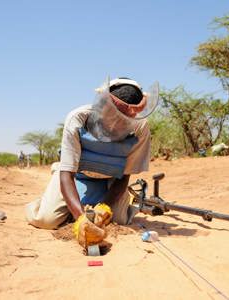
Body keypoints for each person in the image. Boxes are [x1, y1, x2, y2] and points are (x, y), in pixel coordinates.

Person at [25, 77, 158, 245]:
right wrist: (81, 219)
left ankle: (112, 205)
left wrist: (105, 208)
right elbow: (67, 175)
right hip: (76, 175)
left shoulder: (140, 128)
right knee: (46, 220)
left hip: (111, 180)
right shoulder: (78, 118)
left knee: (118, 220)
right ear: (103, 105)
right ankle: (45, 202)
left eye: (124, 120)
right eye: (113, 116)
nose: (117, 124)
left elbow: (124, 176)